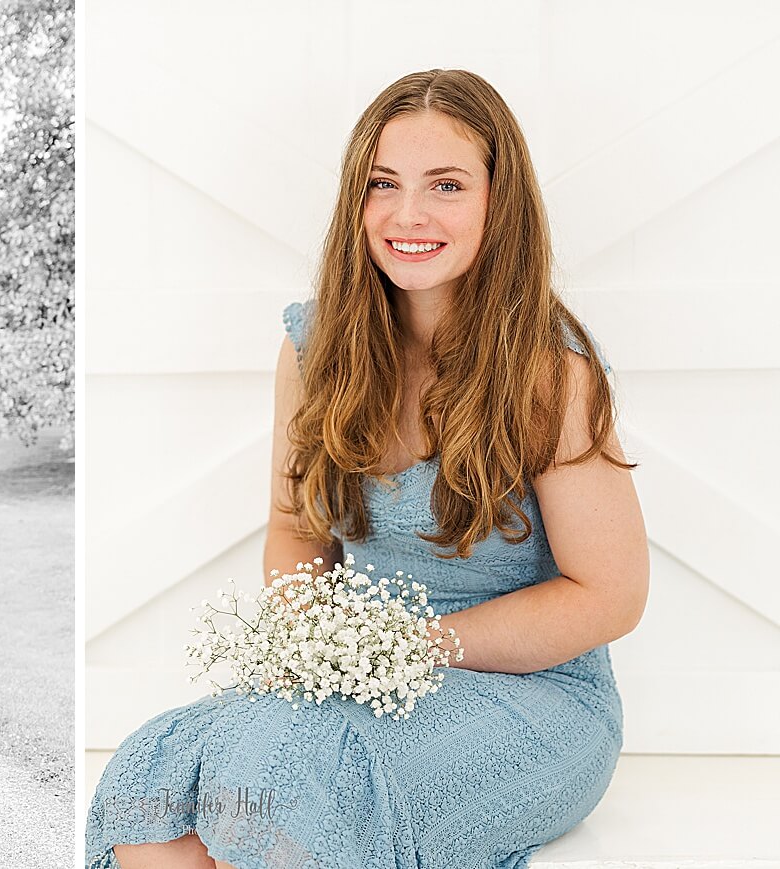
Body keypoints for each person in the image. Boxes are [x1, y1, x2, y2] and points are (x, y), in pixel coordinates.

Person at [85, 68, 649, 868]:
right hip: (359, 680)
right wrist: (312, 653)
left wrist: (411, 647)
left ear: (500, 201)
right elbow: (296, 528)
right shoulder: (315, 349)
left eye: (446, 185)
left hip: (538, 699)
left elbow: (612, 594)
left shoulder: (549, 372)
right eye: (383, 184)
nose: (408, 214)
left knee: (290, 789)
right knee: (160, 784)